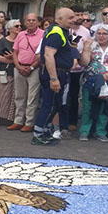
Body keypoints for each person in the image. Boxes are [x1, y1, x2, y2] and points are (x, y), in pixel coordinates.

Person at [33, 8, 77, 145]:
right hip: (55, 72)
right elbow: (48, 55)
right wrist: (54, 78)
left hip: (59, 72)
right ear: (60, 19)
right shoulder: (56, 33)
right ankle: (38, 134)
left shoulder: (60, 31)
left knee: (55, 104)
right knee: (49, 104)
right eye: (70, 18)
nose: (73, 20)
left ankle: (45, 131)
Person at [78, 25, 108, 142]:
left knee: (105, 108)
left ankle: (100, 131)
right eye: (99, 33)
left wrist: (107, 75)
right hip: (91, 81)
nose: (101, 36)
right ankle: (85, 131)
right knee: (87, 107)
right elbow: (84, 63)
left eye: (104, 34)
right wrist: (86, 48)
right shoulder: (92, 45)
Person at [10, 13, 43, 132]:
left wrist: (32, 68)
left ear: (38, 22)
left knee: (32, 97)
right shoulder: (20, 35)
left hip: (34, 69)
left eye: (33, 20)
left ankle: (29, 122)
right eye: (28, 20)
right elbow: (15, 53)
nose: (31, 22)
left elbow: (41, 55)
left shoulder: (43, 35)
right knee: (19, 96)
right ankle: (18, 121)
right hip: (19, 68)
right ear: (25, 23)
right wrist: (18, 66)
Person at [0, 19, 20, 127]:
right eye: (16, 26)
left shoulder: (21, 40)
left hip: (17, 71)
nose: (19, 28)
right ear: (10, 28)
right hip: (4, 71)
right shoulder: (3, 41)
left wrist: (14, 59)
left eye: (20, 26)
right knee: (0, 95)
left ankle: (12, 118)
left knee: (14, 96)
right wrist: (13, 60)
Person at [67, 6, 91, 132]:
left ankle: (72, 121)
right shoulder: (66, 29)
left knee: (74, 95)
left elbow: (86, 49)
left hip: (78, 69)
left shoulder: (85, 31)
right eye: (77, 14)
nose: (80, 17)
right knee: (64, 96)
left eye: (82, 14)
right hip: (65, 68)